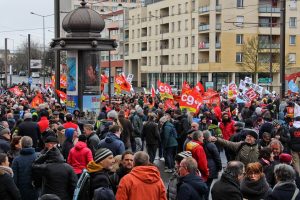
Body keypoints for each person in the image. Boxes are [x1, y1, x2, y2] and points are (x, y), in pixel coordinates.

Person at [202, 130, 222, 200]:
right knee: (208, 185)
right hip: (211, 167)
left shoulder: (201, 144)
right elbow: (217, 157)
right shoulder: (211, 145)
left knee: (204, 184)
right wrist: (220, 167)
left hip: (203, 166)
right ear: (208, 136)